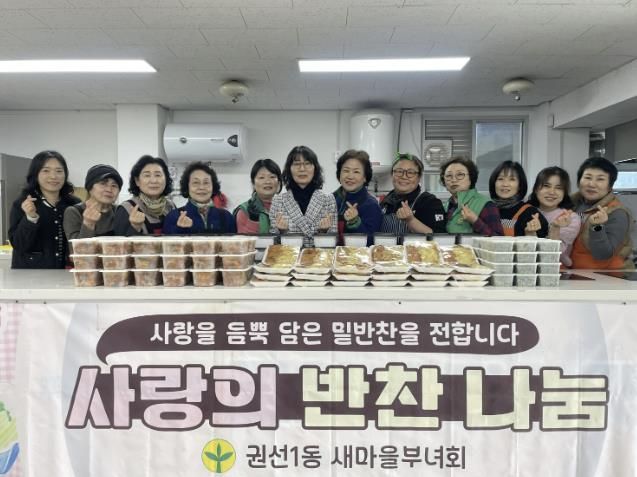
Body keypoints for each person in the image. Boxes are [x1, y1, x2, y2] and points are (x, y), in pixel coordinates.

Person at [9, 150, 80, 268]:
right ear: (35, 174)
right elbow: (19, 245)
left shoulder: (74, 204)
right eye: (46, 170)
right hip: (30, 275)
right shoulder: (22, 204)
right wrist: (30, 218)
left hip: (65, 274)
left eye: (59, 171)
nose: (53, 176)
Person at [571, 157, 633, 269]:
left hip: (606, 275)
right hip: (575, 274)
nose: (592, 184)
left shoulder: (617, 212)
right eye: (587, 177)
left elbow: (603, 254)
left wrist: (597, 227)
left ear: (610, 186)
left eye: (600, 179)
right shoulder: (572, 204)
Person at [269, 145, 337, 247]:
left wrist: (323, 232)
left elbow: (334, 240)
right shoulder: (278, 200)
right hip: (289, 256)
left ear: (315, 168)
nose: (302, 169)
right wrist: (282, 232)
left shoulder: (328, 199)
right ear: (289, 169)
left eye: (307, 163)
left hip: (318, 256)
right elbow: (273, 243)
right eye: (297, 164)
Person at [380, 153, 446, 237]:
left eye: (410, 172)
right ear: (392, 175)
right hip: (385, 246)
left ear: (419, 177)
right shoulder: (385, 201)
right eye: (399, 171)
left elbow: (439, 237)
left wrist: (410, 220)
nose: (404, 177)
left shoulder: (430, 202)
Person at [528, 166, 581, 267]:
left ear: (564, 193)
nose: (552, 192)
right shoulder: (526, 211)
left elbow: (556, 253)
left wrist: (555, 228)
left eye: (558, 188)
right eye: (546, 186)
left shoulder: (571, 218)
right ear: (536, 189)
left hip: (558, 270)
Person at [164, 162, 236, 235]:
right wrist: (180, 229)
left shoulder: (227, 217)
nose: (201, 187)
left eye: (206, 182)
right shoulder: (173, 217)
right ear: (187, 186)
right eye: (196, 183)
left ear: (213, 186)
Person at [113, 155, 176, 236]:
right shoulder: (126, 208)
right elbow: (119, 242)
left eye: (158, 175)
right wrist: (135, 227)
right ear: (137, 181)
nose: (153, 181)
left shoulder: (171, 206)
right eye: (147, 175)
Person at [440, 156, 503, 236]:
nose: (454, 180)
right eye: (449, 176)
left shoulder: (486, 204)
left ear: (471, 178)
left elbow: (498, 238)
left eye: (460, 174)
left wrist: (475, 221)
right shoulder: (444, 206)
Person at [333, 150, 382, 245]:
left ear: (365, 177)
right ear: (339, 174)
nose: (350, 176)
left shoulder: (371, 205)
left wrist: (355, 222)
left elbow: (372, 242)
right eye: (346, 170)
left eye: (356, 172)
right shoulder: (331, 200)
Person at [489, 160, 549, 237]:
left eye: (512, 179)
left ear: (520, 185)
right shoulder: (487, 209)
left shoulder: (530, 213)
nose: (505, 184)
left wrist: (531, 234)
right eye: (500, 179)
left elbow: (544, 243)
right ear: (494, 183)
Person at [64, 164, 123, 240]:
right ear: (90, 188)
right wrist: (89, 224)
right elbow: (74, 246)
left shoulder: (119, 211)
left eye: (114, 186)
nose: (109, 189)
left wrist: (135, 226)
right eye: (103, 184)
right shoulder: (74, 212)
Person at [234, 159, 282, 234]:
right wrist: (253, 221)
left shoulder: (288, 208)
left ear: (279, 183)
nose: (267, 181)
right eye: (261, 177)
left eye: (272, 177)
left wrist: (284, 231)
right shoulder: (245, 211)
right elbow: (246, 240)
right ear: (253, 184)